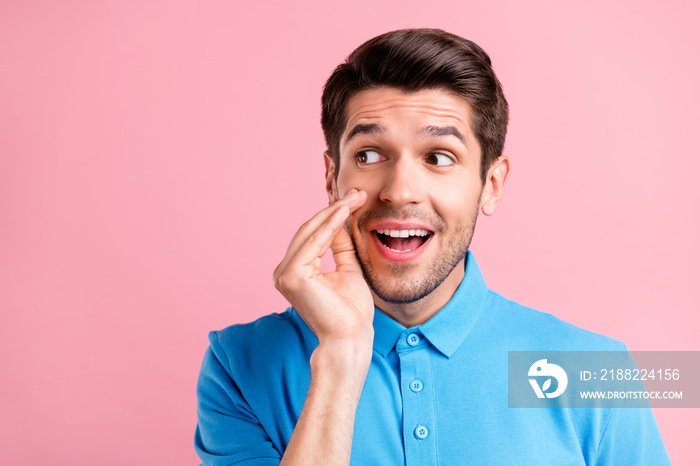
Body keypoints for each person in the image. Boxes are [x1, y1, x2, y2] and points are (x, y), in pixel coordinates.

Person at [194, 29, 670, 465]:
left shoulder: (599, 372)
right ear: (330, 175)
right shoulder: (238, 364)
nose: (400, 190)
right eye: (369, 155)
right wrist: (340, 358)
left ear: (491, 185)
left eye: (439, 157)